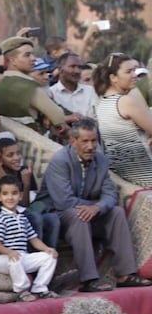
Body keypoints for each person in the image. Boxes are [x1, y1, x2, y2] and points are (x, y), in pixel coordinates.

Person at [36, 118, 150, 292]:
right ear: (73, 142)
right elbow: (64, 202)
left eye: (93, 140)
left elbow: (110, 194)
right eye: (85, 141)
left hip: (85, 210)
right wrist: (92, 206)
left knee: (116, 212)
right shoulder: (60, 160)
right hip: (56, 214)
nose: (90, 146)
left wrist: (97, 207)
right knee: (79, 215)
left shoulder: (101, 160)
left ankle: (126, 274)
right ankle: (89, 279)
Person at [0, 175, 59, 301]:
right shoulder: (0, 219)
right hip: (4, 259)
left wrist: (47, 249)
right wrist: (9, 252)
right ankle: (21, 291)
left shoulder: (23, 217)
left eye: (14, 193)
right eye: (5, 194)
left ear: (20, 196)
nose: (10, 197)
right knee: (15, 259)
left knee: (50, 257)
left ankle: (40, 288)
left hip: (22, 257)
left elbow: (33, 239)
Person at [94, 52, 152, 187]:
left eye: (135, 70)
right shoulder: (126, 101)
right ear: (113, 77)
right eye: (129, 71)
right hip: (142, 170)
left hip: (121, 168)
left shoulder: (103, 101)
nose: (135, 75)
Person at [0, 37, 68, 135]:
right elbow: (58, 117)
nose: (33, 58)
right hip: (34, 144)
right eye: (27, 55)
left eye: (32, 54)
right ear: (13, 60)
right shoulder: (29, 87)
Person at [0, 136, 59, 247]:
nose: (16, 158)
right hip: (8, 217)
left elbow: (25, 205)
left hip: (25, 211)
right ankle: (34, 254)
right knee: (35, 218)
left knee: (52, 218)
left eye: (18, 153)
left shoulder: (24, 171)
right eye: (10, 155)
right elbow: (14, 205)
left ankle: (50, 254)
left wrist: (27, 184)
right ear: (0, 158)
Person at [48, 53, 97, 121]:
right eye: (72, 67)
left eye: (79, 67)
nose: (77, 71)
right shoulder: (51, 93)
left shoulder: (91, 91)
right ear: (60, 69)